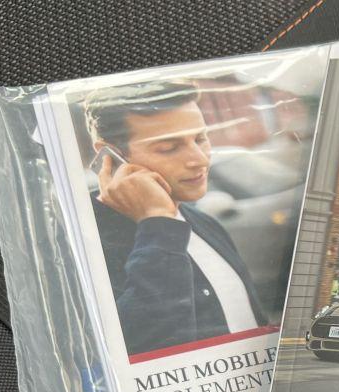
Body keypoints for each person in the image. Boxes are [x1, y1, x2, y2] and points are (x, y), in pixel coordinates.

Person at [83, 81, 267, 357]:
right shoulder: (82, 242)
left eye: (200, 139)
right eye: (169, 147)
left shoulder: (205, 224)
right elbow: (151, 350)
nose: (199, 159)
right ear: (111, 155)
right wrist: (157, 222)